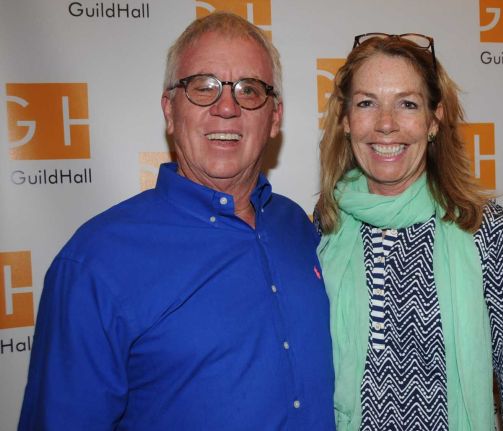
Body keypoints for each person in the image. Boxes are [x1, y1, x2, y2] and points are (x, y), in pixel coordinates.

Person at [19, 12, 334, 430]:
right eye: (203, 87)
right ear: (170, 110)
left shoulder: (298, 227)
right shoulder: (95, 262)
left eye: (249, 90)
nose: (227, 107)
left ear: (274, 117)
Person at [315, 33, 503, 430]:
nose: (385, 124)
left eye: (407, 104)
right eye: (366, 103)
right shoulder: (326, 223)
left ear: (434, 120)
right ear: (346, 119)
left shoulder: (485, 229)